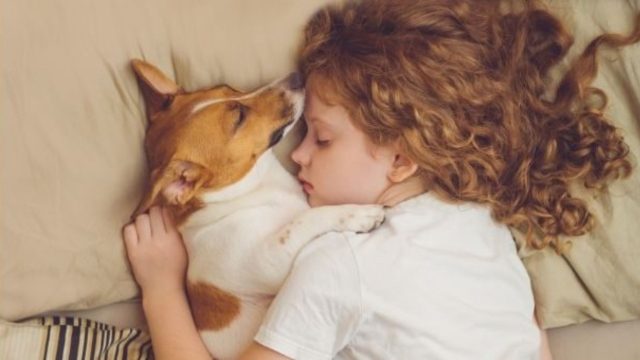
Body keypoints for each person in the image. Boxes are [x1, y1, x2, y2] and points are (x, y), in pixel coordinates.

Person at [123, 0, 638, 359]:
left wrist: (161, 289)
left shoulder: (339, 265)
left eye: (321, 139)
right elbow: (531, 345)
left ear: (400, 161)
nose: (297, 155)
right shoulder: (482, 223)